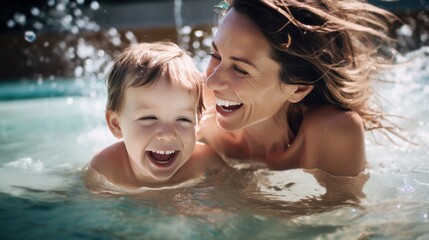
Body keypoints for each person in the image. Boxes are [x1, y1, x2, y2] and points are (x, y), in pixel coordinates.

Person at [199, 0, 399, 176]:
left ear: (298, 88)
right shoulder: (193, 107)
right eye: (215, 56)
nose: (212, 82)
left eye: (240, 70)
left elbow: (340, 217)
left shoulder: (332, 131)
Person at [84, 42, 224, 191]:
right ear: (116, 124)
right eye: (149, 118)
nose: (168, 134)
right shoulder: (105, 169)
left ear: (197, 123)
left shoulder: (205, 162)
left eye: (183, 119)